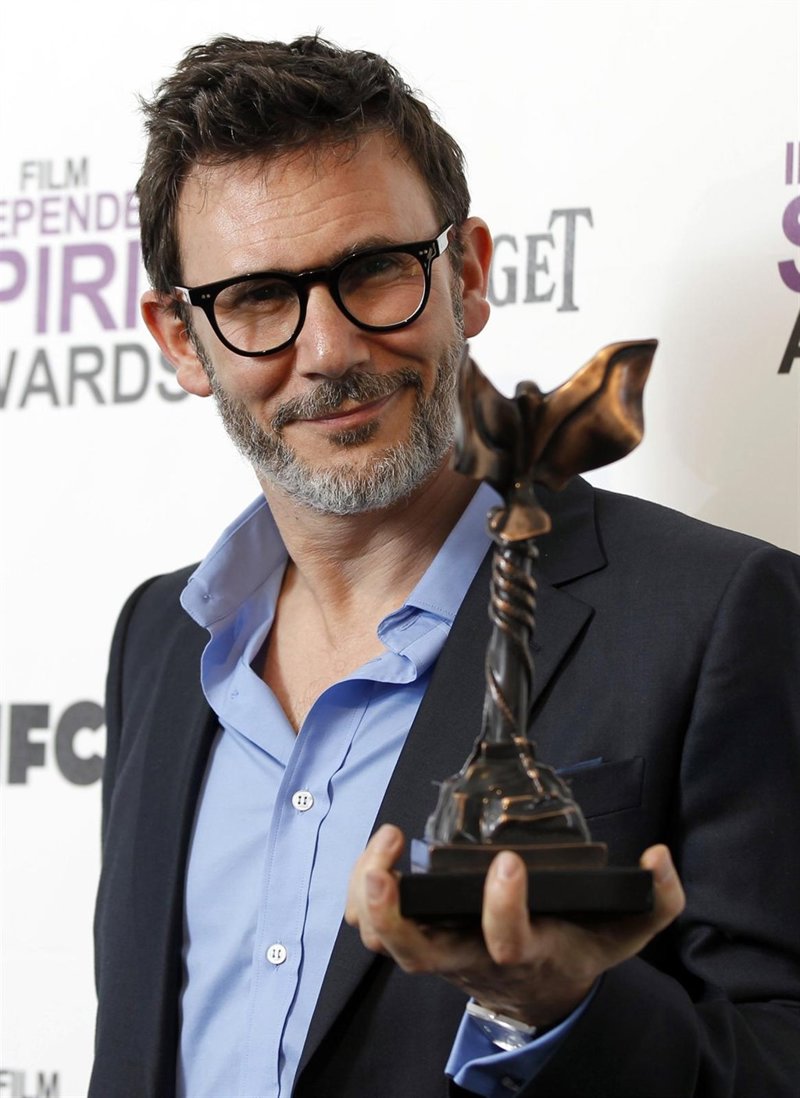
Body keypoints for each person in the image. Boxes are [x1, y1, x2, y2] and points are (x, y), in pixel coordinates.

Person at [90, 34, 800, 1098]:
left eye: (375, 270)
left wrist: (558, 1012)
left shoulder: (712, 616)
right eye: (256, 298)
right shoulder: (158, 637)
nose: (329, 352)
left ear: (464, 274)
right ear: (182, 340)